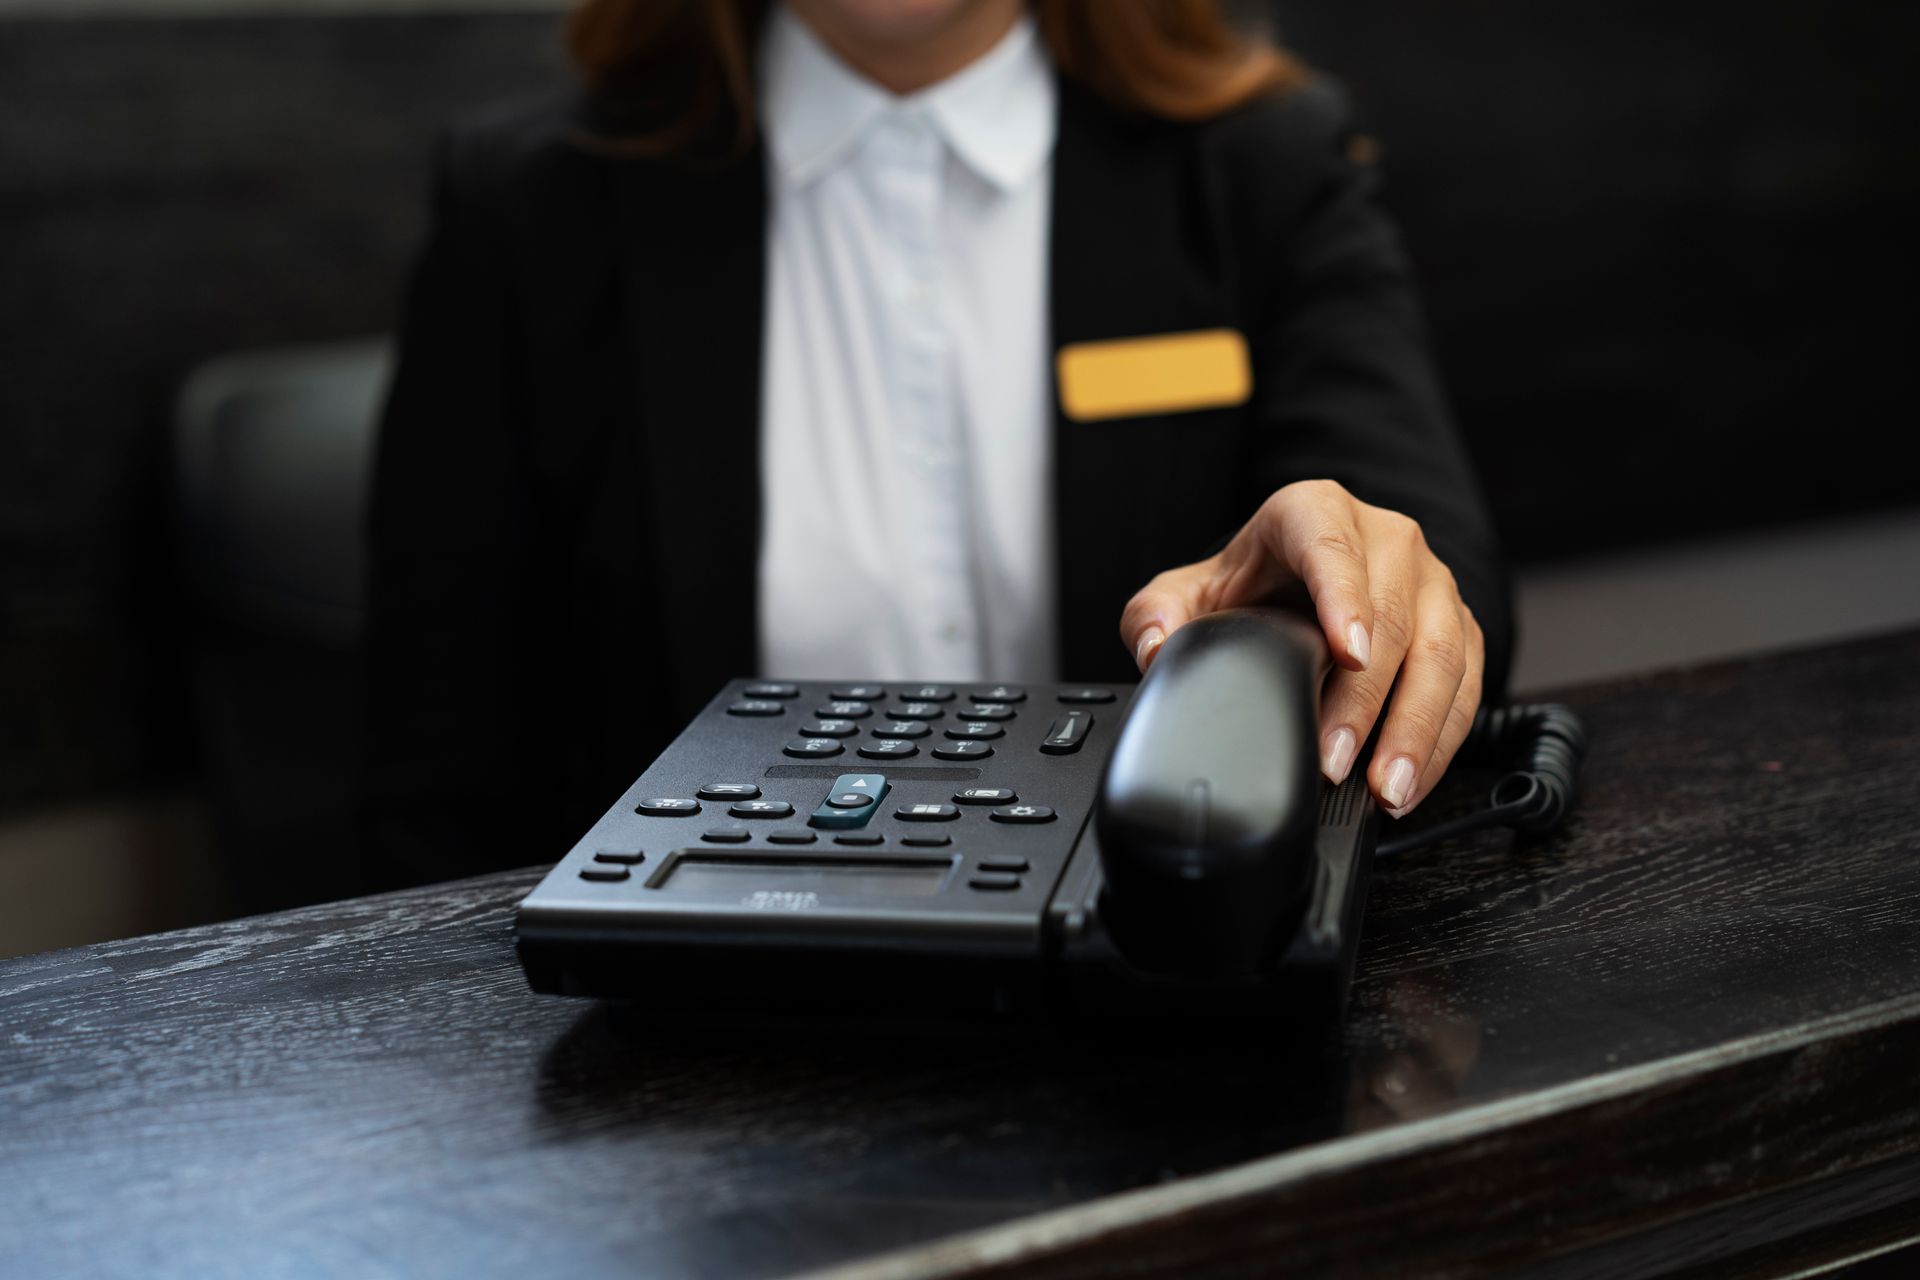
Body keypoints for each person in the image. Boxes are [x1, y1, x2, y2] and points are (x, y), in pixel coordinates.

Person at [363, 0, 1512, 889]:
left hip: (1153, 1004)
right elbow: (439, 772)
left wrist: (1356, 595)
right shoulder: (526, 212)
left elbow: (1435, 558)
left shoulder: (1268, 165)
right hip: (684, 1061)